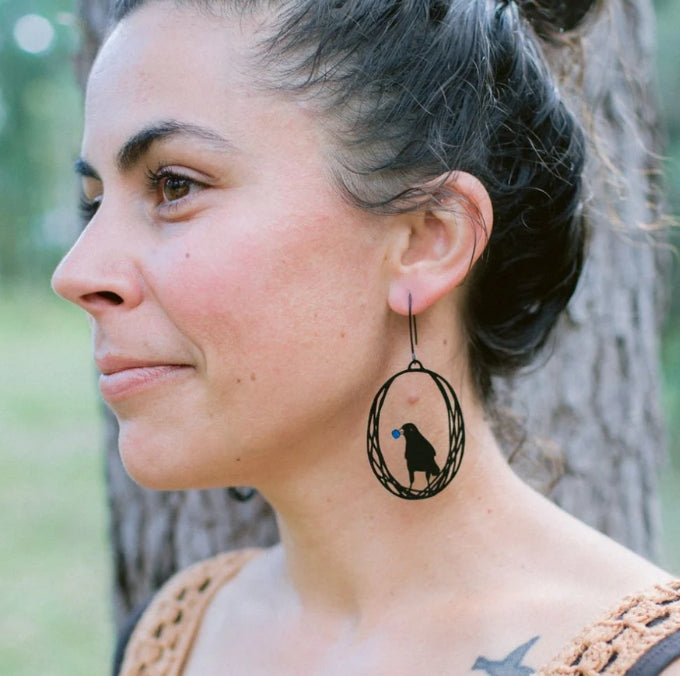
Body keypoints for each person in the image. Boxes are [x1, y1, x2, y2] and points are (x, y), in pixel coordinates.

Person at [51, 0, 680, 674]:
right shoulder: (174, 639)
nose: (76, 273)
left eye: (175, 186)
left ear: (425, 241)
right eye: (95, 203)